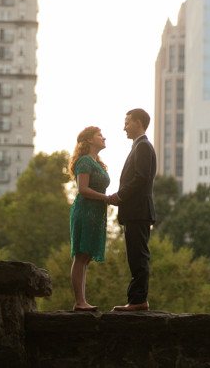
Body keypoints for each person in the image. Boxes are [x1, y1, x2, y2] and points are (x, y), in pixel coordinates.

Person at [108, 108, 156, 311]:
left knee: (138, 257)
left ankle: (138, 300)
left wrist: (119, 196)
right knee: (135, 256)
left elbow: (140, 178)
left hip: (138, 211)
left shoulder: (143, 146)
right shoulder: (139, 146)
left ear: (138, 122)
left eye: (127, 123)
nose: (124, 128)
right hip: (136, 212)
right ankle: (137, 299)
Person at [68, 126, 113, 311]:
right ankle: (79, 302)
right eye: (99, 135)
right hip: (85, 212)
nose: (104, 137)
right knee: (81, 256)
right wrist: (107, 198)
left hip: (95, 214)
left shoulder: (96, 162)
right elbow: (83, 189)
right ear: (89, 140)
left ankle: (82, 301)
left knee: (86, 257)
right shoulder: (85, 161)